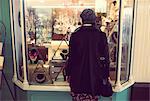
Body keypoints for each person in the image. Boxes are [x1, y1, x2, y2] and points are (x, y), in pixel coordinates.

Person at [65, 9, 110, 101]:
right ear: (94, 19)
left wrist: (68, 73)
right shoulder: (101, 35)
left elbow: (71, 58)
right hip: (95, 77)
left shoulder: (75, 35)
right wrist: (106, 75)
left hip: (77, 77)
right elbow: (106, 58)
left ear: (82, 19)